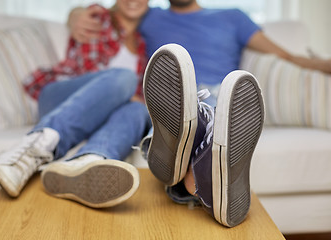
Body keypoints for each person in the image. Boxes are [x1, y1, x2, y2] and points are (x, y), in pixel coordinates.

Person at [67, 0, 331, 227]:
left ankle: (189, 173)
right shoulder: (150, 16)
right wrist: (75, 14)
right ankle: (198, 172)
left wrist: (322, 64)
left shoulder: (233, 17)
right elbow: (111, 14)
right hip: (167, 96)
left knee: (215, 105)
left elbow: (287, 56)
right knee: (153, 111)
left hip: (216, 93)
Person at [0, 0, 150, 209]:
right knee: (125, 79)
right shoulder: (97, 17)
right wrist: (75, 14)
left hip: (100, 116)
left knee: (138, 109)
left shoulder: (142, 44)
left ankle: (89, 161)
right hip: (62, 95)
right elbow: (89, 70)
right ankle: (32, 150)